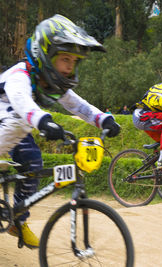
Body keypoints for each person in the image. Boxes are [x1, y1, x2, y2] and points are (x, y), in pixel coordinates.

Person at [0, 14, 120, 248]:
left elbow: (79, 106)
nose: (70, 67)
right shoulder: (19, 76)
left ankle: (18, 220)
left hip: (16, 131)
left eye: (74, 61)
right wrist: (44, 121)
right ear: (45, 54)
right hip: (8, 121)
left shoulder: (52, 82)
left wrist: (104, 119)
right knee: (18, 122)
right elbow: (23, 103)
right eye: (65, 58)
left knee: (34, 162)